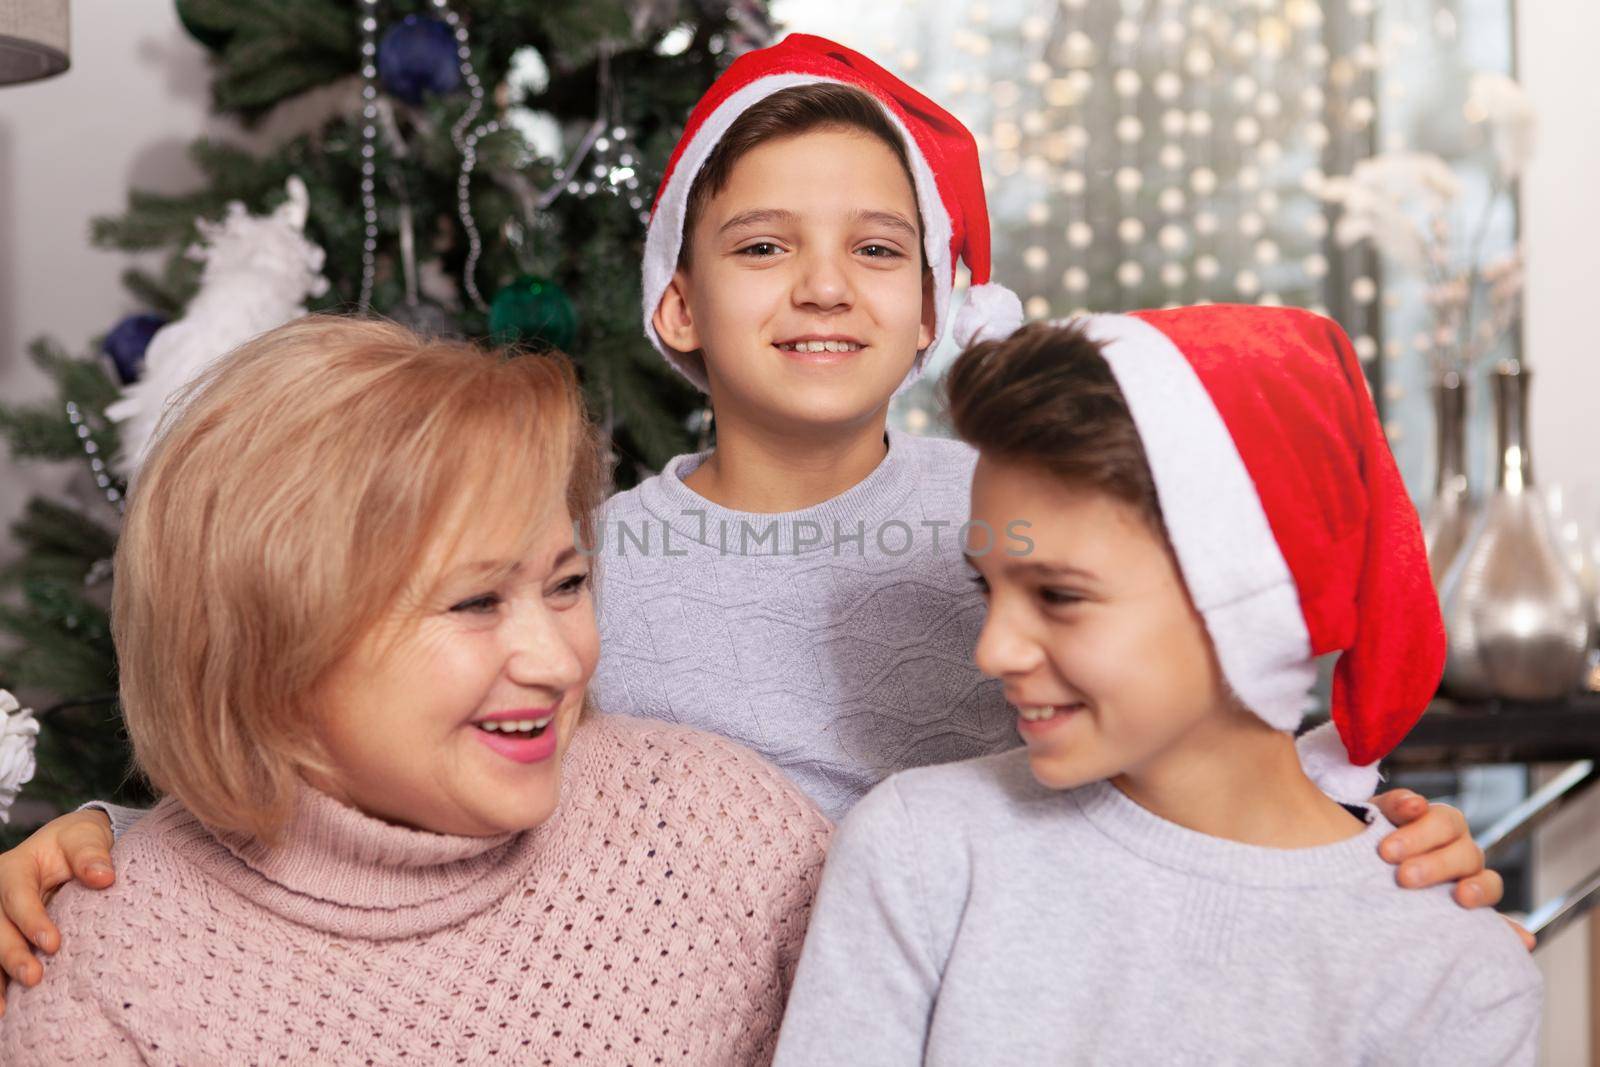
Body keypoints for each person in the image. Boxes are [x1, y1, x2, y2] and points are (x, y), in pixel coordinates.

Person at [0, 38, 1505, 1004]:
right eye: (763, 245)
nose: (825, 286)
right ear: (676, 297)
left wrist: (1379, 839)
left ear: (939, 303)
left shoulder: (1015, 534)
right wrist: (105, 840)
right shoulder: (580, 562)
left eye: (877, 247)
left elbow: (1226, 748)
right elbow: (363, 746)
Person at [0, 316, 830, 1063]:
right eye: (476, 601)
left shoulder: (724, 828)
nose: (557, 660)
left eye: (567, 583)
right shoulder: (105, 975)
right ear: (273, 643)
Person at [772, 308, 1542, 1065]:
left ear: (1252, 599)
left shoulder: (1454, 971)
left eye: (1060, 595)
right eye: (989, 590)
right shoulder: (923, 851)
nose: (993, 648)